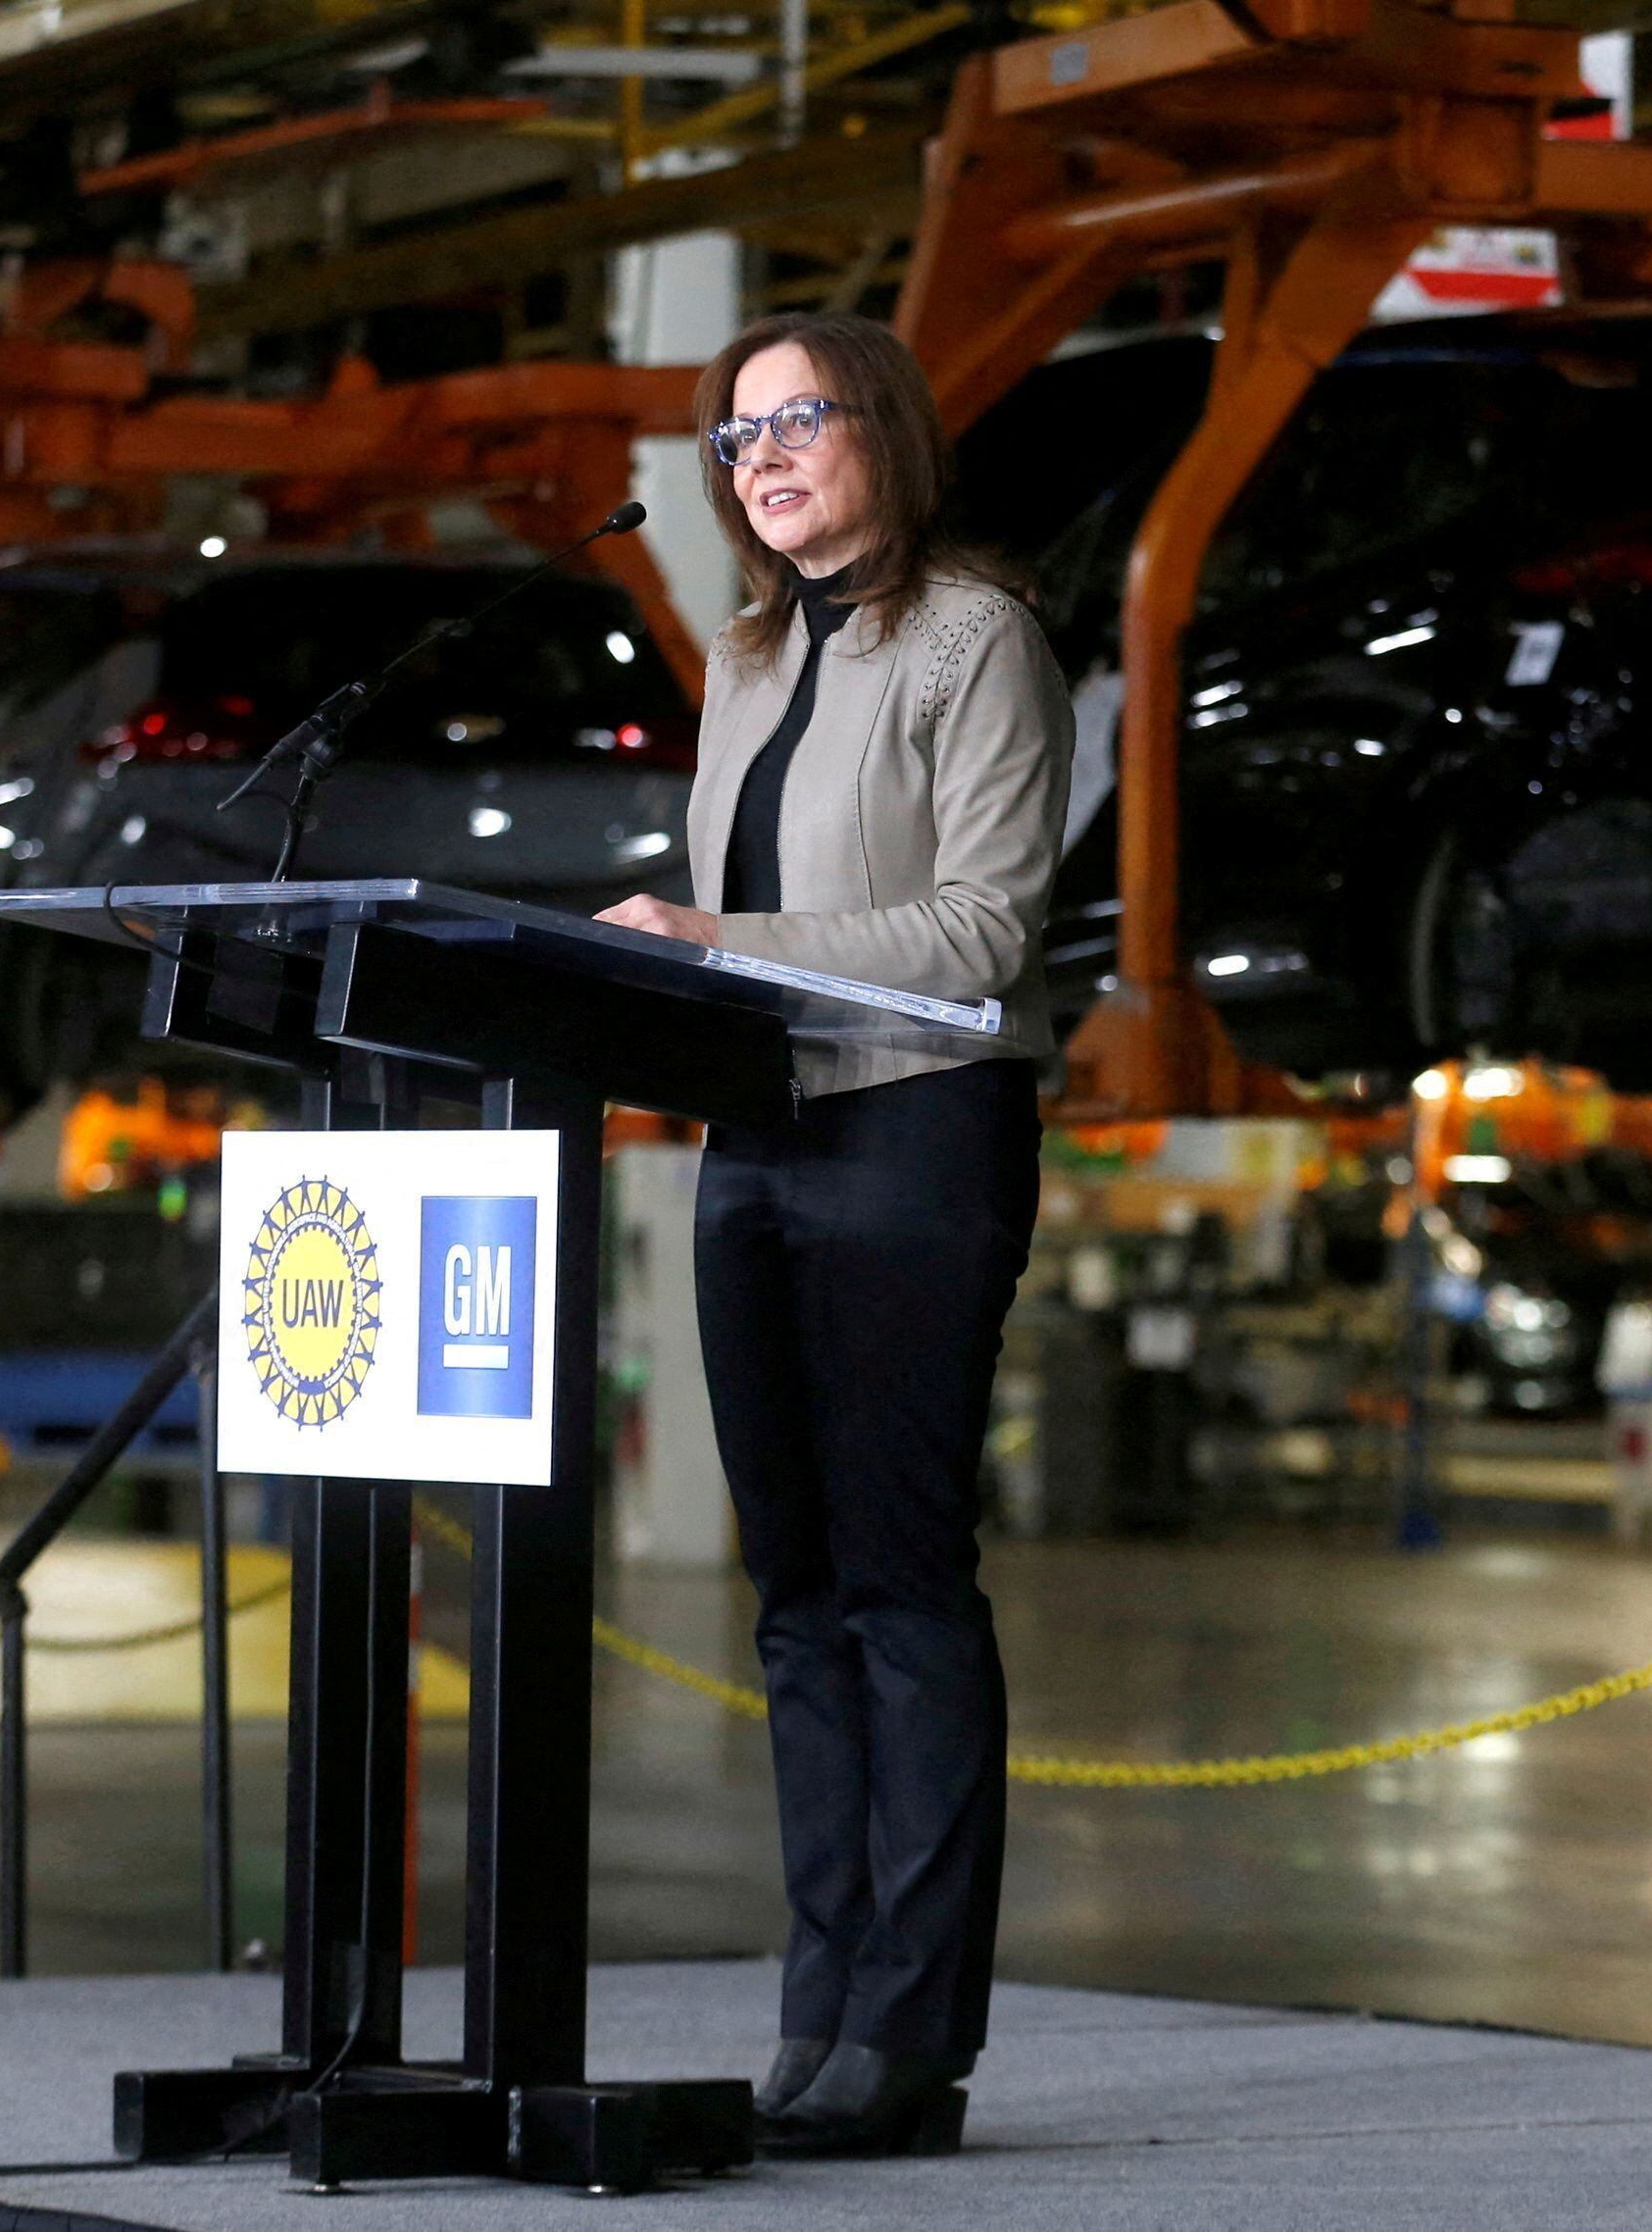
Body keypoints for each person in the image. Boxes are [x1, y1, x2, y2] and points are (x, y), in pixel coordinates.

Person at [596, 311, 1073, 2157]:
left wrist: (715, 948)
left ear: (885, 426)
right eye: (736, 437)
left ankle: (910, 2039)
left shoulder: (975, 638)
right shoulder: (743, 655)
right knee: (790, 1599)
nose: (765, 456)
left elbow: (980, 934)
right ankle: (816, 2008)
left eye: (799, 421)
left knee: (896, 1581)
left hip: (917, 1136)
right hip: (762, 1139)